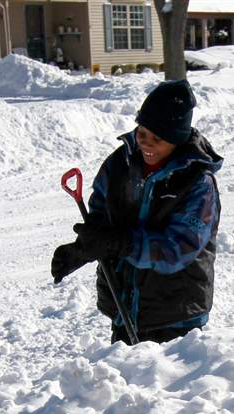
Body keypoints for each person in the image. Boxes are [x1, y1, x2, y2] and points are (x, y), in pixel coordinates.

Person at [51, 79, 222, 345]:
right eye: (142, 133)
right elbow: (101, 216)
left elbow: (178, 249)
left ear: (177, 139)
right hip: (123, 305)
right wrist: (84, 248)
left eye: (158, 139)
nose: (146, 144)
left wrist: (121, 243)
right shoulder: (121, 163)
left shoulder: (196, 183)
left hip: (175, 315)